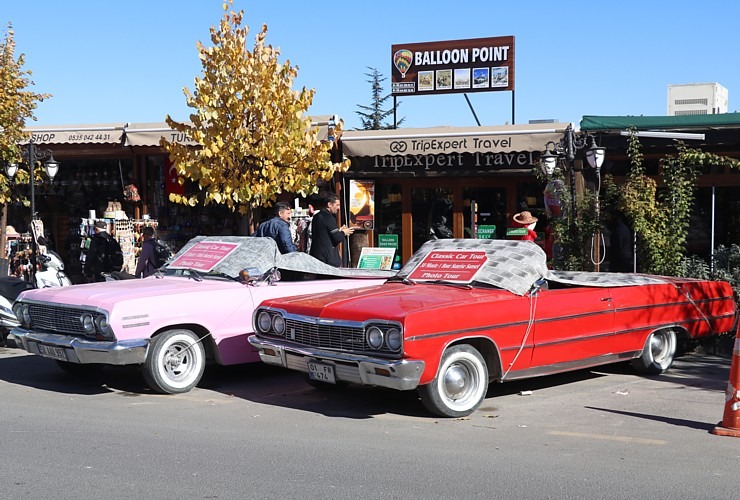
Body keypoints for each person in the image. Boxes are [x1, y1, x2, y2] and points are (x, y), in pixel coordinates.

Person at [310, 193, 353, 267]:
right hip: (328, 259)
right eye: (337, 205)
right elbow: (337, 238)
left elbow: (324, 234)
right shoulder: (328, 217)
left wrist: (338, 230)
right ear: (329, 204)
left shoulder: (317, 216)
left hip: (317, 256)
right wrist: (344, 232)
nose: (339, 208)